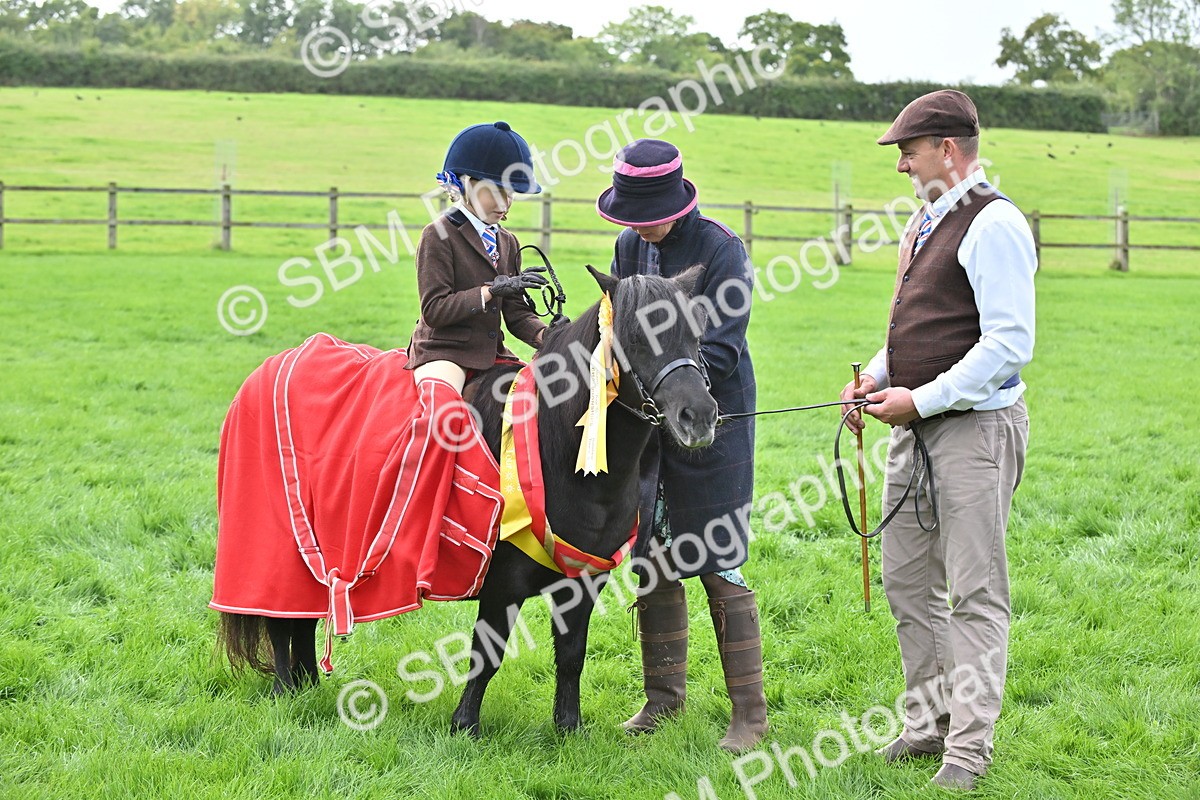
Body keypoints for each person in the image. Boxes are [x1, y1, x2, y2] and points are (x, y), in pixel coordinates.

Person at [841, 90, 1035, 791]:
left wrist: (919, 399)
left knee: (975, 594)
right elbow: (918, 327)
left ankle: (968, 752)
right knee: (907, 583)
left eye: (908, 151)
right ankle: (929, 725)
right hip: (916, 430)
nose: (901, 164)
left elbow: (1010, 344)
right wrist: (873, 378)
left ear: (947, 150)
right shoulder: (927, 221)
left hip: (975, 434)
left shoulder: (995, 224)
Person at [597, 139, 765, 753]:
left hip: (708, 421)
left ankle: (750, 714)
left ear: (678, 200)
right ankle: (663, 701)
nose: (638, 228)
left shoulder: (722, 250)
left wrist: (674, 390)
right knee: (652, 556)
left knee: (718, 560)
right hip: (645, 426)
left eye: (647, 214)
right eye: (629, 218)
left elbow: (721, 346)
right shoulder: (628, 247)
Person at [407, 121, 553, 392]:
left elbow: (516, 314)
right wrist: (489, 291)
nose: (504, 203)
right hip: (444, 354)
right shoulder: (437, 235)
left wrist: (550, 336)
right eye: (494, 192)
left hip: (493, 355)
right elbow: (434, 310)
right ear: (465, 186)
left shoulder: (508, 241)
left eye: (509, 194)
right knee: (441, 407)